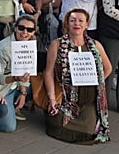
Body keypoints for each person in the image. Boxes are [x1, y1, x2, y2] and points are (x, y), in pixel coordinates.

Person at [43, 9, 112, 145]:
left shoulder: (95, 45)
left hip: (89, 101)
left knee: (89, 132)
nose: (77, 24)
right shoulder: (56, 45)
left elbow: (108, 67)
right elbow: (48, 72)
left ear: (87, 24)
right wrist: (51, 98)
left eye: (81, 21)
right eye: (73, 20)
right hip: (65, 99)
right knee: (56, 121)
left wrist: (97, 81)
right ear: (67, 24)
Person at [0, 13, 40, 116]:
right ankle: (7, 106)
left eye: (29, 30)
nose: (25, 32)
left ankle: (17, 103)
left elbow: (26, 70)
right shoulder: (2, 47)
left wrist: (23, 93)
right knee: (8, 127)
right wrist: (15, 78)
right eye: (21, 28)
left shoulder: (31, 44)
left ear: (33, 32)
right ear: (15, 28)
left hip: (18, 85)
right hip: (2, 89)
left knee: (37, 85)